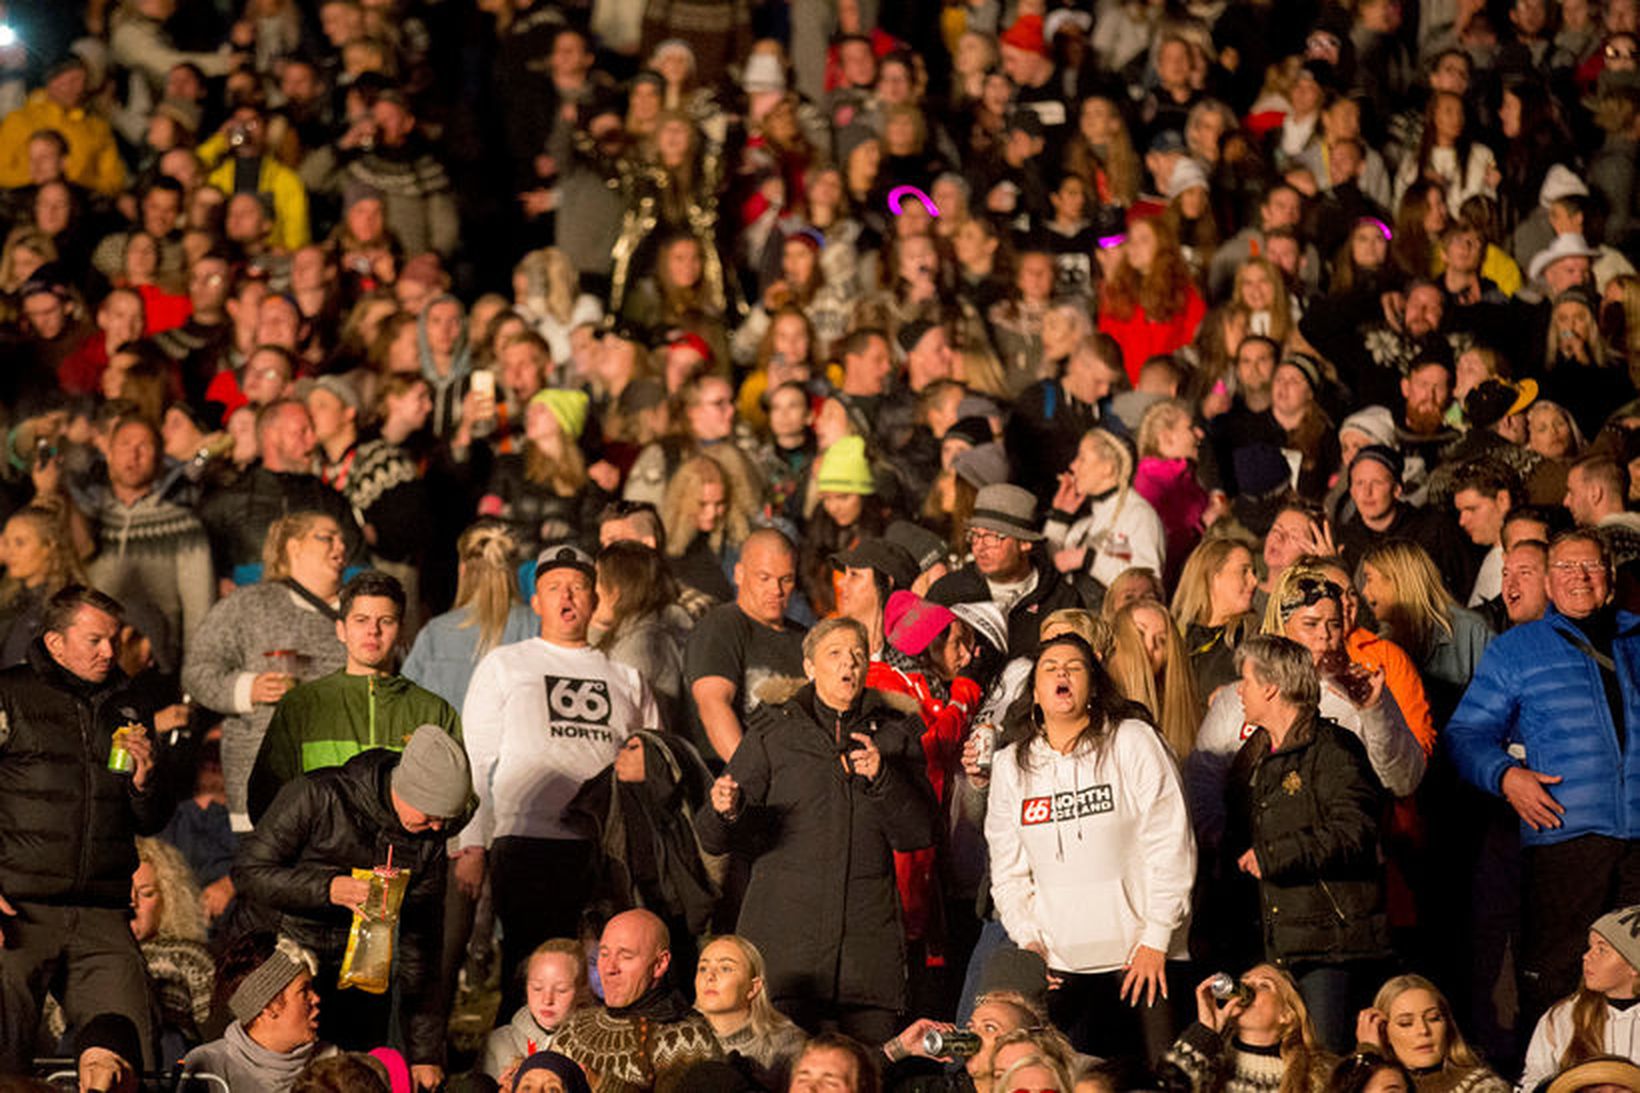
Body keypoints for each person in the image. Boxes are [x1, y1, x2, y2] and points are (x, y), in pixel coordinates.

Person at [697, 617, 937, 1042]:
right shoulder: (773, 732)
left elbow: (918, 833)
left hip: (866, 961)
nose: (849, 663)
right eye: (835, 653)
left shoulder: (895, 734)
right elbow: (714, 836)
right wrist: (725, 810)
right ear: (809, 667)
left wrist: (883, 779)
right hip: (785, 957)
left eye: (858, 655)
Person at [1446, 531, 1640, 1031]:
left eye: (1592, 567)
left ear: (1611, 578)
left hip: (1638, 843)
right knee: (1558, 986)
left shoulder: (1638, 639)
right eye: (1567, 568)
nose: (1580, 577)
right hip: (1563, 840)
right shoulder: (1517, 650)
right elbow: (1465, 734)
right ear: (1550, 582)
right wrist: (1507, 776)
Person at [459, 544, 662, 1004]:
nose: (567, 597)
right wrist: (471, 843)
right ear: (536, 602)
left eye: (578, 587)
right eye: (554, 588)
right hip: (528, 843)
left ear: (596, 601)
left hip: (605, 850)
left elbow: (654, 763)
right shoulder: (505, 664)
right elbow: (476, 758)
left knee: (602, 980)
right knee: (529, 974)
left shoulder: (627, 677)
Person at [985, 630, 1195, 1064]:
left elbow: (1171, 843)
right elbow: (1006, 870)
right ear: (1036, 693)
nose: (1062, 673)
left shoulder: (1132, 740)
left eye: (1074, 667)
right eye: (1050, 668)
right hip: (1059, 968)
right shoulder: (1011, 766)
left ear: (1094, 685)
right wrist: (1030, 943)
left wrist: (1158, 937)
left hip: (1142, 961)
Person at [234, 725, 471, 1086]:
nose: (436, 826)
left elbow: (421, 949)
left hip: (360, 977)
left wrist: (425, 1052)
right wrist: (327, 888)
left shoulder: (429, 841)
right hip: (280, 966)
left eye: (445, 820)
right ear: (403, 787)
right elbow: (248, 871)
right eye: (429, 814)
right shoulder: (316, 796)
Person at [0, 585, 170, 1072]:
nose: (109, 652)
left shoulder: (130, 705)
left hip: (101, 909)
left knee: (133, 1052)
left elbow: (153, 819)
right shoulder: (9, 694)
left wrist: (144, 783)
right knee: (5, 1058)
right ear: (55, 642)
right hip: (18, 910)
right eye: (95, 640)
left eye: (114, 640)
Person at [1222, 634, 1392, 1052]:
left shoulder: (1332, 749)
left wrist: (1277, 855)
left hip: (1330, 948)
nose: (1238, 691)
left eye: (1244, 680)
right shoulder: (1252, 757)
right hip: (1273, 944)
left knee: (1325, 1063)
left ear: (1270, 686)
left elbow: (1356, 829)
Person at [247, 571, 461, 821]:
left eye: (386, 621)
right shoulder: (302, 705)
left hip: (402, 858)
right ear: (341, 630)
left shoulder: (433, 711)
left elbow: (462, 800)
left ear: (402, 631)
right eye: (361, 620)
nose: (373, 631)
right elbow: (266, 799)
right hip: (319, 859)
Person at [181, 512, 350, 830]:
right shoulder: (249, 605)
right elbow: (198, 670)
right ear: (294, 547)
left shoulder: (361, 612)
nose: (340, 545)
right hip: (264, 791)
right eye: (327, 537)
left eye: (342, 539)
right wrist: (248, 689)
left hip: (340, 789)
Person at [549, 909, 724, 1093]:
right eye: (604, 954)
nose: (609, 968)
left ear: (660, 964)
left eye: (625, 956)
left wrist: (604, 1086)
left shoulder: (687, 1039)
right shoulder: (574, 1028)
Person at [928, 484, 1096, 660]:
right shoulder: (948, 592)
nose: (979, 546)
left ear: (1025, 543)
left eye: (993, 537)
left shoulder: (1061, 601)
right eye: (975, 535)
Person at [684, 528, 806, 762]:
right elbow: (713, 704)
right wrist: (749, 774)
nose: (776, 590)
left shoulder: (805, 639)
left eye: (786, 579)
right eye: (764, 578)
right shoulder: (721, 626)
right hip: (736, 779)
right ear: (739, 574)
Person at [401, 520, 539, 713]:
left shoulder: (436, 632)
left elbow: (405, 703)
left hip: (446, 742)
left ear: (463, 569)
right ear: (514, 570)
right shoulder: (536, 626)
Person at [182, 934, 334, 1093]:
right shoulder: (209, 1066)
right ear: (269, 1006)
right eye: (304, 990)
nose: (316, 998)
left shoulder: (333, 1064)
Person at [1160, 965, 1335, 1093]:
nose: (1247, 989)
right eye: (1243, 983)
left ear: (1287, 1015)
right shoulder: (1208, 1062)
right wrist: (1204, 1032)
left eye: (1264, 985)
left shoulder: (1314, 1074)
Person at [1520, 907, 1640, 1092]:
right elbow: (1532, 1082)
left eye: (1602, 950)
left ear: (1634, 966)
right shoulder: (1562, 1017)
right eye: (1589, 947)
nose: (1586, 957)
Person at [1043, 428, 1168, 590]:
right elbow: (1045, 571)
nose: (1073, 466)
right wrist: (1059, 518)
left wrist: (1088, 560)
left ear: (1107, 468)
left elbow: (1147, 584)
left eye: (1082, 458)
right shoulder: (1085, 523)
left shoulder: (1137, 515)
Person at [1353, 974, 1510, 1093]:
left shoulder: (1482, 1087)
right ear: (1384, 1033)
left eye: (1433, 1019)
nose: (1423, 1030)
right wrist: (1369, 1056)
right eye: (1406, 1023)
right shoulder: (1377, 1084)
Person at [693, 934, 806, 1083]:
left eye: (726, 968)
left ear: (753, 987)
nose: (710, 976)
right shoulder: (676, 1036)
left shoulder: (787, 1045)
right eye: (703, 968)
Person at [483, 939, 592, 1082]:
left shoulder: (597, 1046)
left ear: (583, 991)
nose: (547, 1000)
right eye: (537, 988)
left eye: (561, 990)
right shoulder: (501, 1043)